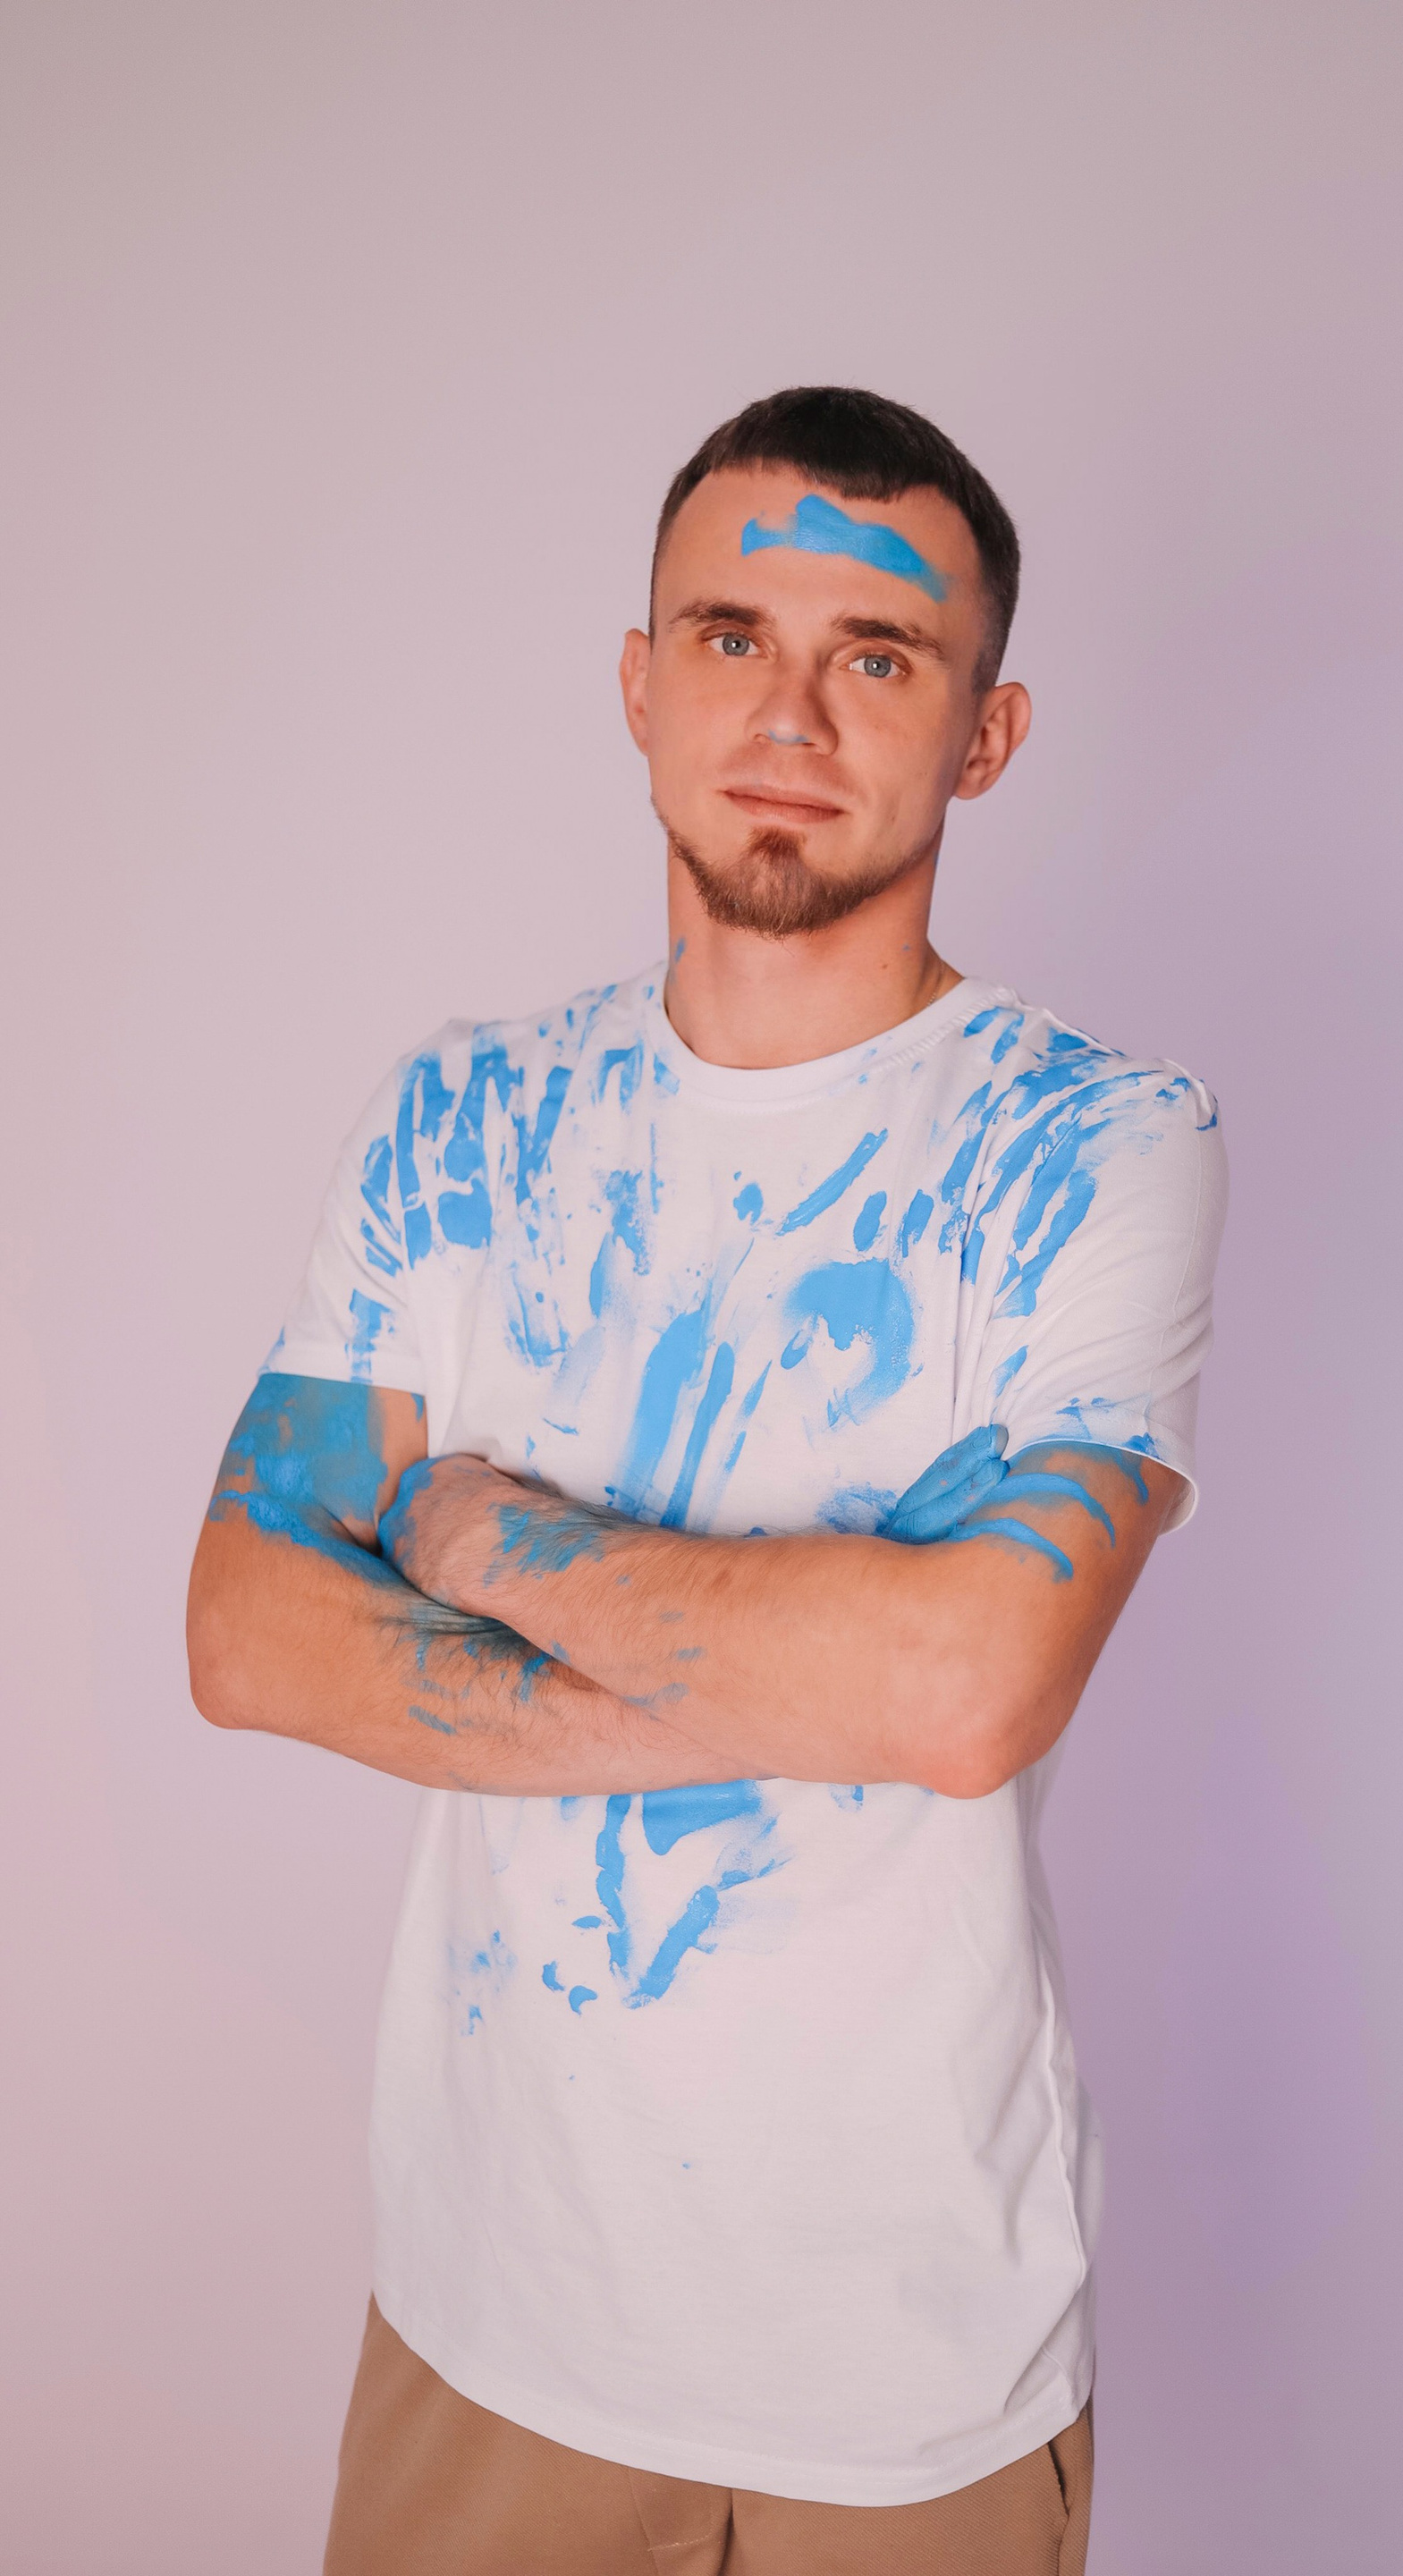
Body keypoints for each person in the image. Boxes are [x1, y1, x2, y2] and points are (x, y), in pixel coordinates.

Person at [187, 384, 1227, 2576]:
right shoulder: (465, 1116)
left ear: (987, 734)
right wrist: (796, 1673)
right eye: (731, 636)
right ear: (638, 683)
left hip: (910, 2372)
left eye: (879, 655)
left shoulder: (1097, 1142)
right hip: (493, 2320)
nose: (790, 713)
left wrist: (469, 1528)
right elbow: (246, 1631)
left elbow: (967, 1689)